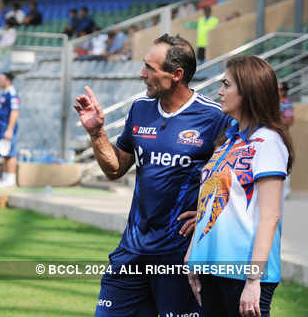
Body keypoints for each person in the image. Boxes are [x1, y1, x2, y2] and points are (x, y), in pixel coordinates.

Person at [74, 33, 232, 317]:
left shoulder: (214, 117)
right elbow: (114, 169)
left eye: (150, 68)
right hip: (132, 251)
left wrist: (210, 214)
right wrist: (96, 132)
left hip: (179, 257)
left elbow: (237, 178)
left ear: (176, 74)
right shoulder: (140, 109)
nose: (141, 73)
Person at [185, 55, 294, 317]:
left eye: (226, 85)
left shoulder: (268, 141)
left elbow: (270, 216)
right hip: (210, 268)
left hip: (244, 274)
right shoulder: (228, 141)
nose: (220, 92)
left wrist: (254, 281)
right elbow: (211, 201)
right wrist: (193, 255)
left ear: (248, 92)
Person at [0, 72, 20, 188]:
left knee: (10, 153)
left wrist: (10, 129)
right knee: (4, 153)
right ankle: (5, 178)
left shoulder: (12, 94)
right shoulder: (4, 93)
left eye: (1, 79)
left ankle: (11, 179)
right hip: (1, 128)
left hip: (7, 128)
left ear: (8, 80)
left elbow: (14, 112)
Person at [279, 81, 294, 199]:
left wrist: (275, 118)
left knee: (284, 162)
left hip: (282, 137)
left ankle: (285, 190)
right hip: (274, 136)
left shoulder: (287, 104)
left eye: (279, 89)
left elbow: (289, 121)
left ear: (284, 91)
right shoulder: (273, 103)